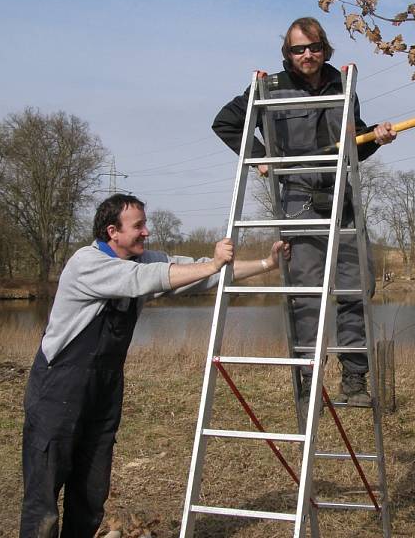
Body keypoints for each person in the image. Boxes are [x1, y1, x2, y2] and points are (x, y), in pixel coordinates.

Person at [19, 193, 289, 538]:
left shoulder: (144, 259)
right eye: (139, 226)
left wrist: (266, 264)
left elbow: (204, 274)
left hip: (103, 392)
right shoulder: (86, 263)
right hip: (57, 392)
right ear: (112, 231)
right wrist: (209, 265)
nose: (146, 232)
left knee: (89, 495)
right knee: (42, 501)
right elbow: (143, 280)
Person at [213, 16, 398, 410]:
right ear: (288, 53)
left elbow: (354, 145)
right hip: (297, 200)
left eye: (313, 47)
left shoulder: (343, 85)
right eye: (298, 49)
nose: (307, 55)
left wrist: (376, 138)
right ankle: (310, 375)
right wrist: (260, 157)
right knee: (308, 292)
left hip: (341, 199)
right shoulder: (270, 87)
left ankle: (354, 378)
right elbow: (225, 123)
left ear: (324, 49)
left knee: (356, 286)